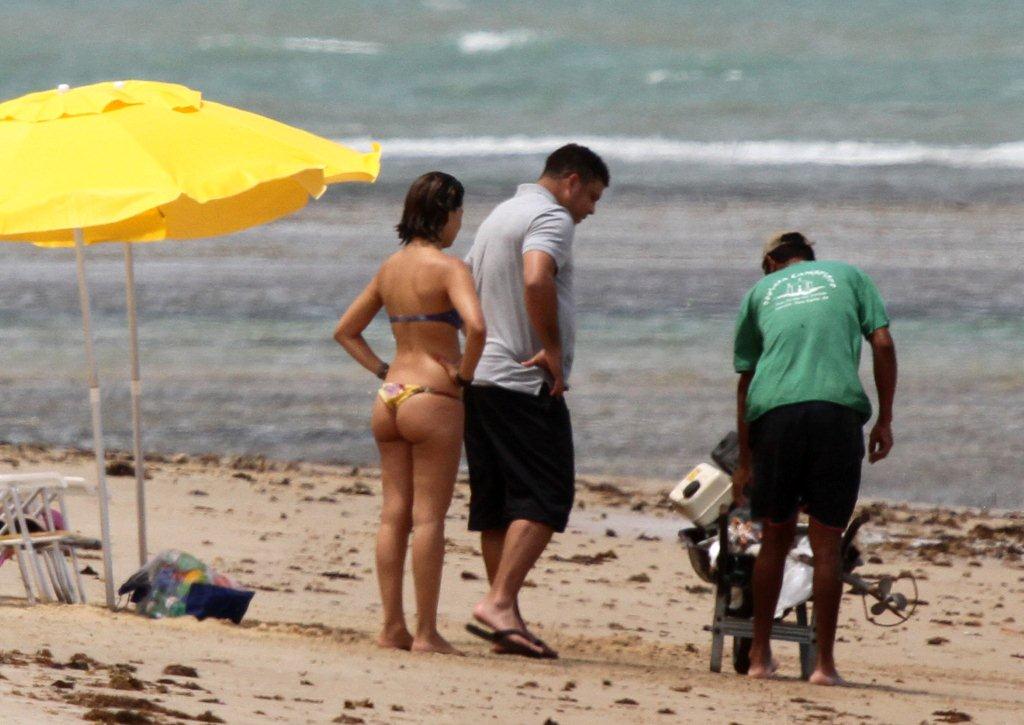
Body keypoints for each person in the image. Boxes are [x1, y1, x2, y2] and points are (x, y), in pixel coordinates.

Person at [461, 144, 608, 658]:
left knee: (500, 504)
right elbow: (535, 275)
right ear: (571, 181)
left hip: (480, 377)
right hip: (522, 381)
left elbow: (465, 287)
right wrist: (550, 347)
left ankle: (506, 618)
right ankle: (499, 601)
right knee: (547, 497)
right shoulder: (551, 216)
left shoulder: (500, 214)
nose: (591, 209)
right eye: (591, 196)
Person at [730, 231, 897, 685]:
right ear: (808, 258)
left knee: (775, 538)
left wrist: (745, 463)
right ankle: (823, 666)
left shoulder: (759, 292)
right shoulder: (850, 276)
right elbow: (882, 343)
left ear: (770, 262)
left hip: (777, 418)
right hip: (836, 414)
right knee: (827, 542)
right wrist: (884, 419)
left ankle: (760, 657)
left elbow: (745, 381)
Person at [333, 172, 486, 655]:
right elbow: (478, 328)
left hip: (391, 395)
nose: (460, 225)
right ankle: (426, 633)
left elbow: (345, 331)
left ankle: (391, 627)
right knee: (430, 519)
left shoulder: (390, 268)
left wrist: (383, 369)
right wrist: (462, 374)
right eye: (459, 215)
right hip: (434, 398)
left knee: (392, 516)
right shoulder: (450, 268)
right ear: (446, 213)